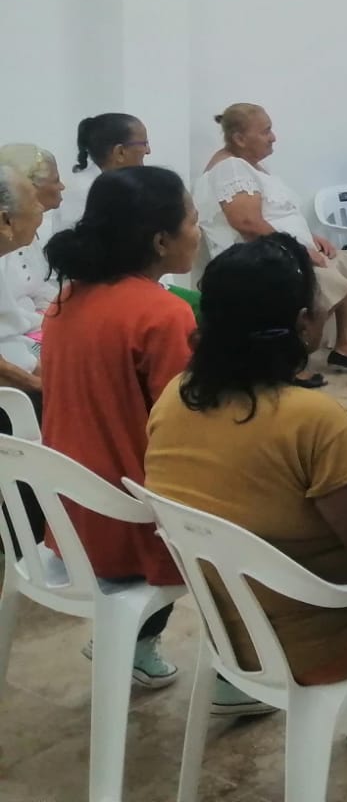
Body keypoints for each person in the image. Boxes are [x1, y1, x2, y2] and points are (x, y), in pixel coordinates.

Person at [145, 235, 347, 741]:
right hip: (319, 639)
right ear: (304, 322)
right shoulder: (310, 420)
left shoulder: (177, 397)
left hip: (236, 631)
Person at [38, 167, 201, 694]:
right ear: (160, 240)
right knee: (260, 508)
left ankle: (135, 641)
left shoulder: (65, 301)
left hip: (68, 512)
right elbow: (186, 428)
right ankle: (238, 674)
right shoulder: (163, 313)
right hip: (130, 523)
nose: (198, 232)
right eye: (192, 220)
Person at [195, 104, 347, 378]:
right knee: (325, 281)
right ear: (239, 138)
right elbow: (247, 223)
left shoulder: (251, 166)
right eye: (266, 131)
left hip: (284, 250)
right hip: (261, 260)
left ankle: (345, 344)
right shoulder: (230, 168)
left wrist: (311, 238)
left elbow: (276, 213)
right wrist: (302, 250)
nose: (273, 138)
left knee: (345, 264)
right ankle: (288, 360)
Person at [0, 149, 57, 398]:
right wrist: (45, 389)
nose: (40, 209)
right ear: (6, 221)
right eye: (34, 203)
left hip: (23, 357)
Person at [55, 113, 149, 229]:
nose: (148, 151)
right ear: (120, 152)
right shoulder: (82, 189)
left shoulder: (119, 185)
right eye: (144, 143)